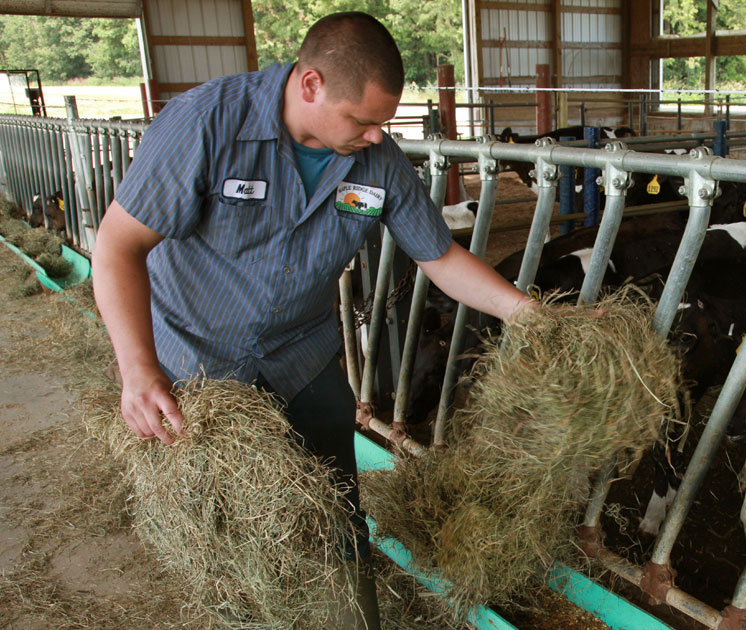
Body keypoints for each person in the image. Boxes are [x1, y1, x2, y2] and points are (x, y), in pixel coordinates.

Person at [91, 12, 534, 630]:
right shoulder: (205, 124)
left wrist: (529, 314)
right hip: (195, 366)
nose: (377, 136)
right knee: (222, 526)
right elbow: (117, 246)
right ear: (309, 86)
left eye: (385, 122)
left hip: (302, 356)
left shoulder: (376, 161)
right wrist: (138, 371)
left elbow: (440, 257)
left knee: (334, 511)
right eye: (362, 120)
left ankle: (353, 619)